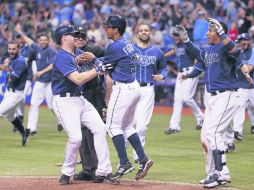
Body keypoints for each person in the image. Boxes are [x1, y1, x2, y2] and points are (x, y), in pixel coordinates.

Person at [177, 18, 252, 188]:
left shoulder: (226, 48)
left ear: (218, 32)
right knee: (206, 137)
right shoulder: (209, 49)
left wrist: (222, 33)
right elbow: (198, 59)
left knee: (214, 133)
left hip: (226, 95)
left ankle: (222, 174)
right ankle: (212, 173)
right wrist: (187, 42)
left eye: (210, 30)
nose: (207, 33)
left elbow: (235, 52)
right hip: (212, 98)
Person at [82, 15, 153, 181]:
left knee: (112, 127)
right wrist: (97, 60)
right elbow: (110, 63)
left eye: (108, 27)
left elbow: (103, 67)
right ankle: (143, 160)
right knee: (127, 126)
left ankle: (124, 163)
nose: (105, 29)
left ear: (116, 29)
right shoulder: (126, 43)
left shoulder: (114, 46)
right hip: (134, 87)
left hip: (123, 88)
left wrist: (93, 59)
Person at [52, 25, 117, 185]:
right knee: (76, 138)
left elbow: (101, 62)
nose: (76, 37)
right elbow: (78, 79)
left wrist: (96, 61)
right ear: (63, 38)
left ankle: (104, 171)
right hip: (64, 101)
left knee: (100, 129)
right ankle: (66, 172)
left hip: (80, 99)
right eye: (72, 34)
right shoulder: (62, 57)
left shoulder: (78, 53)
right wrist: (98, 69)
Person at [14, 24, 62, 135]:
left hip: (50, 82)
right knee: (34, 104)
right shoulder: (37, 48)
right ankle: (32, 129)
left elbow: (52, 65)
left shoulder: (52, 51)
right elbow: (28, 40)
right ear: (39, 41)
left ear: (48, 41)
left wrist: (41, 72)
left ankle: (60, 121)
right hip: (40, 82)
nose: (43, 41)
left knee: (52, 106)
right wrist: (20, 32)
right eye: (41, 40)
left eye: (45, 40)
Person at [72, 26, 106, 181]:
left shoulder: (94, 50)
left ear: (86, 39)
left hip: (94, 94)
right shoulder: (69, 52)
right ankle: (87, 169)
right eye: (76, 37)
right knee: (81, 133)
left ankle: (98, 168)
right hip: (78, 95)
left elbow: (109, 60)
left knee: (94, 132)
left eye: (82, 37)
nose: (79, 40)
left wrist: (95, 60)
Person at [131, 24, 167, 162]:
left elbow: (164, 69)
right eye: (141, 30)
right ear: (137, 33)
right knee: (131, 123)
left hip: (147, 89)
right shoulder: (130, 50)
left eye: (146, 30)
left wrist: (162, 76)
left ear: (150, 33)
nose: (144, 32)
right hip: (131, 88)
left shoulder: (157, 52)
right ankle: (126, 150)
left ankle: (138, 156)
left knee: (141, 125)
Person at [164, 28, 204, 135]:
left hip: (190, 71)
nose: (175, 36)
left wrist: (195, 70)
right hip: (180, 74)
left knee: (187, 98)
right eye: (174, 35)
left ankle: (201, 117)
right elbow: (174, 51)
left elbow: (197, 56)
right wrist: (163, 56)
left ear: (182, 35)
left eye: (177, 35)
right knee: (177, 100)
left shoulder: (188, 44)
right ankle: (174, 126)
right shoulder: (178, 45)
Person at [0, 41, 29, 146]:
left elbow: (12, 79)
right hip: (8, 92)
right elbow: (3, 67)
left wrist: (6, 66)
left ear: (18, 49)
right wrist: (5, 65)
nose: (11, 51)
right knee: (9, 117)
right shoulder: (11, 59)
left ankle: (23, 131)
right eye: (9, 49)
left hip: (16, 94)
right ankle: (24, 131)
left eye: (13, 49)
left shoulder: (20, 61)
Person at [232, 33, 254, 140]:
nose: (243, 42)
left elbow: (249, 68)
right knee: (239, 107)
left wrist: (238, 67)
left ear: (249, 40)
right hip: (241, 86)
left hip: (252, 86)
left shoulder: (253, 51)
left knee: (252, 108)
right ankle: (237, 131)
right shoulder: (239, 52)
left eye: (245, 39)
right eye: (241, 40)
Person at [14, 34, 36, 125]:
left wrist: (35, 72)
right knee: (17, 98)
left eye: (21, 38)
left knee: (21, 97)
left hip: (27, 77)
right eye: (18, 38)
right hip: (16, 78)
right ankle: (19, 117)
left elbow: (35, 61)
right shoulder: (13, 49)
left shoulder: (30, 50)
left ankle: (20, 117)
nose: (20, 40)